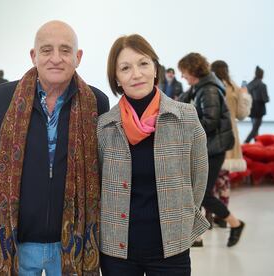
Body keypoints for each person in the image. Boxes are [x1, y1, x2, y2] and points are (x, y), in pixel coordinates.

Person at [0, 20, 109, 275]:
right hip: (15, 245)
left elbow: (102, 178)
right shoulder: (3, 98)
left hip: (72, 248)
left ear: (78, 57)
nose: (56, 58)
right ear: (34, 56)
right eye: (46, 50)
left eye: (65, 50)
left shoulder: (97, 103)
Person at [97, 34, 209, 276]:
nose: (136, 74)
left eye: (143, 64)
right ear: (116, 78)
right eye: (125, 68)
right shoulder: (104, 126)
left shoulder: (185, 117)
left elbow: (198, 178)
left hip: (172, 248)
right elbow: (96, 187)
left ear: (155, 69)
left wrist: (183, 218)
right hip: (118, 252)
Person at [178, 53, 245, 247]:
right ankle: (196, 236)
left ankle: (235, 223)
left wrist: (188, 127)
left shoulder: (208, 90)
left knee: (202, 193)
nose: (183, 77)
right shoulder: (201, 87)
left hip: (213, 149)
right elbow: (184, 102)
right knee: (197, 191)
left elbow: (210, 121)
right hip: (211, 148)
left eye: (184, 72)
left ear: (192, 70)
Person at [210, 60, 252, 226]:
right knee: (224, 177)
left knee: (210, 178)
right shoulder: (234, 88)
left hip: (213, 136)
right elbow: (242, 114)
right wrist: (246, 96)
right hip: (230, 136)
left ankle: (210, 215)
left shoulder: (210, 87)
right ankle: (223, 214)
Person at [244, 66, 269, 143]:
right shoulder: (262, 85)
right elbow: (265, 99)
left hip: (251, 110)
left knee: (255, 128)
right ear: (261, 75)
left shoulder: (249, 84)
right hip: (259, 111)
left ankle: (257, 144)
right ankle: (245, 143)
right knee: (255, 129)